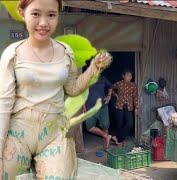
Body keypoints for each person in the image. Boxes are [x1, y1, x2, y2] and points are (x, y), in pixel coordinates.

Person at [0, 0, 111, 179]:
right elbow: (4, 104)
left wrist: (93, 69)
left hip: (53, 134)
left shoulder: (65, 52)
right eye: (35, 14)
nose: (43, 23)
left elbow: (73, 88)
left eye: (51, 15)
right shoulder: (13, 53)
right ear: (22, 12)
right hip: (19, 131)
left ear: (58, 16)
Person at [111, 70, 139, 145]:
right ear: (123, 76)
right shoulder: (119, 83)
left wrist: (136, 107)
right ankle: (119, 141)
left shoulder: (133, 85)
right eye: (128, 75)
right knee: (119, 124)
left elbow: (135, 96)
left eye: (130, 76)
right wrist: (115, 95)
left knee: (130, 124)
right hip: (119, 105)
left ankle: (118, 137)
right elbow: (111, 88)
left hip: (129, 106)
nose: (129, 77)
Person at [84, 75, 113, 148]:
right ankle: (106, 136)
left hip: (102, 106)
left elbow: (111, 86)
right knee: (89, 127)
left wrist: (109, 96)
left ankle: (106, 146)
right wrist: (83, 106)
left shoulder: (103, 78)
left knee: (105, 126)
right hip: (90, 107)